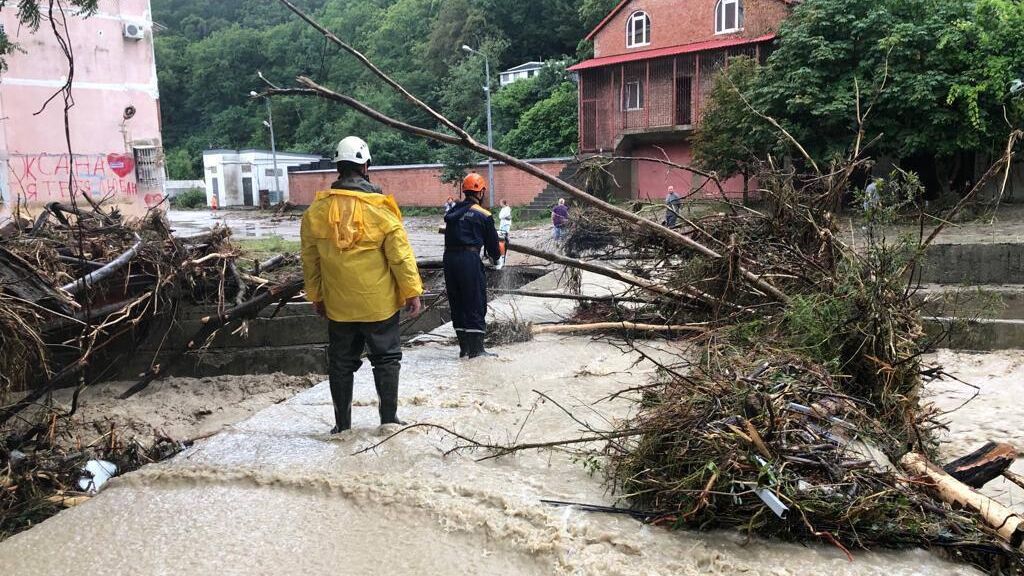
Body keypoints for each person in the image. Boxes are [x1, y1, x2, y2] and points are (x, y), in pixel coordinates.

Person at [300, 136, 424, 433]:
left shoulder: (315, 213)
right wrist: (412, 291)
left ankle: (342, 427)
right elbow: (400, 257)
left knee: (341, 364)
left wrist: (317, 296)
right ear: (365, 166)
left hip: (339, 307)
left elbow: (310, 260)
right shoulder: (381, 209)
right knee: (386, 359)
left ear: (338, 168)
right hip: (379, 306)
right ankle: (389, 422)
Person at [444, 172, 501, 359]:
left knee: (457, 301)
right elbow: (493, 248)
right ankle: (477, 350)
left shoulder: (452, 213)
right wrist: (498, 253)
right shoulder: (483, 215)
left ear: (464, 191)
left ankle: (464, 348)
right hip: (469, 259)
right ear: (481, 192)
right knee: (474, 301)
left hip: (449, 260)